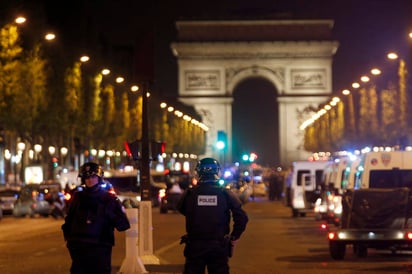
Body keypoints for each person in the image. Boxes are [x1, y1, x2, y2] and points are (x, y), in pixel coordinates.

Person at [177, 157, 249, 274]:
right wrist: (234, 237)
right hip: (219, 247)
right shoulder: (225, 193)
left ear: (198, 172)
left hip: (195, 246)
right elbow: (242, 218)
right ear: (217, 172)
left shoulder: (190, 193)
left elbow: (181, 209)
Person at [61, 162, 130, 274]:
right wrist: (71, 243)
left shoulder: (109, 199)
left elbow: (123, 224)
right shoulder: (77, 197)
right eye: (87, 177)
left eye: (93, 176)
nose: (90, 180)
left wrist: (109, 214)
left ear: (99, 178)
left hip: (100, 248)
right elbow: (68, 222)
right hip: (80, 249)